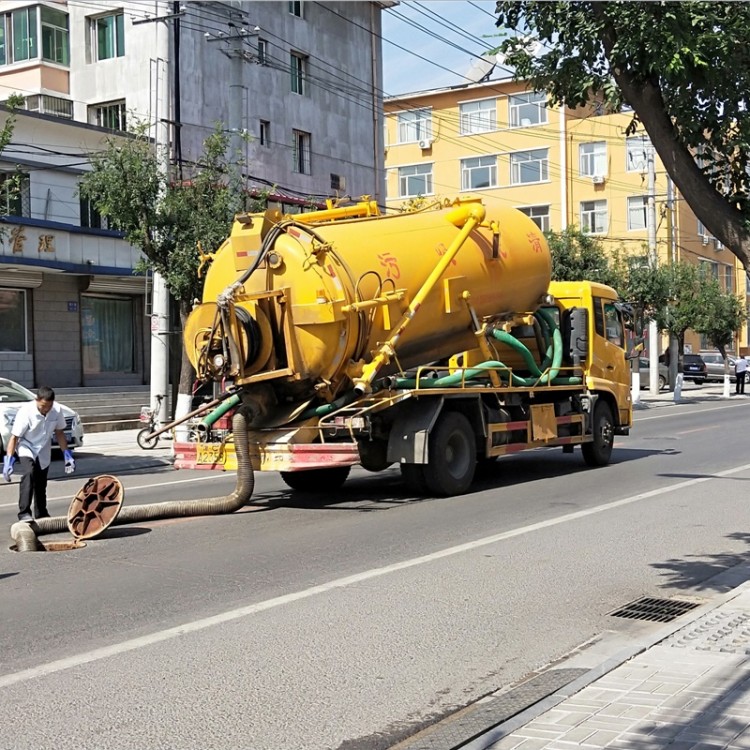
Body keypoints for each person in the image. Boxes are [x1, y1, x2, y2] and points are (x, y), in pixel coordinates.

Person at [2, 385, 75, 522]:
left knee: (41, 482)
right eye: (43, 406)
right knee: (29, 473)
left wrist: (66, 454)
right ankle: (24, 512)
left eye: (49, 406)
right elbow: (14, 437)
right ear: (37, 400)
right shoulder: (26, 412)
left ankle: (41, 513)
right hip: (26, 446)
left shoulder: (57, 410)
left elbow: (59, 432)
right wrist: (8, 460)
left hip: (43, 448)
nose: (46, 409)